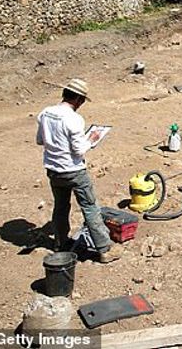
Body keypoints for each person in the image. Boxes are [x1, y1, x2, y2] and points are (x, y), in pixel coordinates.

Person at [36, 79, 121, 263]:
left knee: (61, 206)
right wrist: (92, 139)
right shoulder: (74, 119)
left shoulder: (45, 113)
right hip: (74, 170)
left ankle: (60, 243)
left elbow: (40, 140)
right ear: (79, 99)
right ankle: (104, 249)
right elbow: (79, 150)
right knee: (90, 207)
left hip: (53, 170)